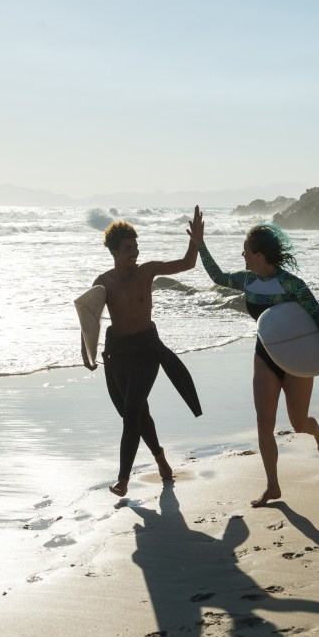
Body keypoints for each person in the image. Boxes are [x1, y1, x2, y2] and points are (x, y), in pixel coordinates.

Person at [196, 217, 319, 507]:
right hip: (265, 355)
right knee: (264, 424)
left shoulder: (291, 284)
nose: (242, 255)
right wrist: (200, 244)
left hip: (295, 358)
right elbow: (217, 277)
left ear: (259, 255)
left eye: (245, 250)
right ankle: (272, 486)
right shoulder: (247, 280)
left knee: (298, 423)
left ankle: (317, 431)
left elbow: (318, 316)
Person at [94, 207, 205, 497]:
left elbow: (187, 264)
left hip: (146, 350)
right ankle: (160, 458)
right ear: (114, 252)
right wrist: (86, 353)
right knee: (137, 413)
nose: (135, 252)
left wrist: (195, 242)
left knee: (132, 412)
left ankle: (123, 480)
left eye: (136, 247)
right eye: (129, 248)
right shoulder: (102, 283)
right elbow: (88, 320)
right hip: (117, 355)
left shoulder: (147, 272)